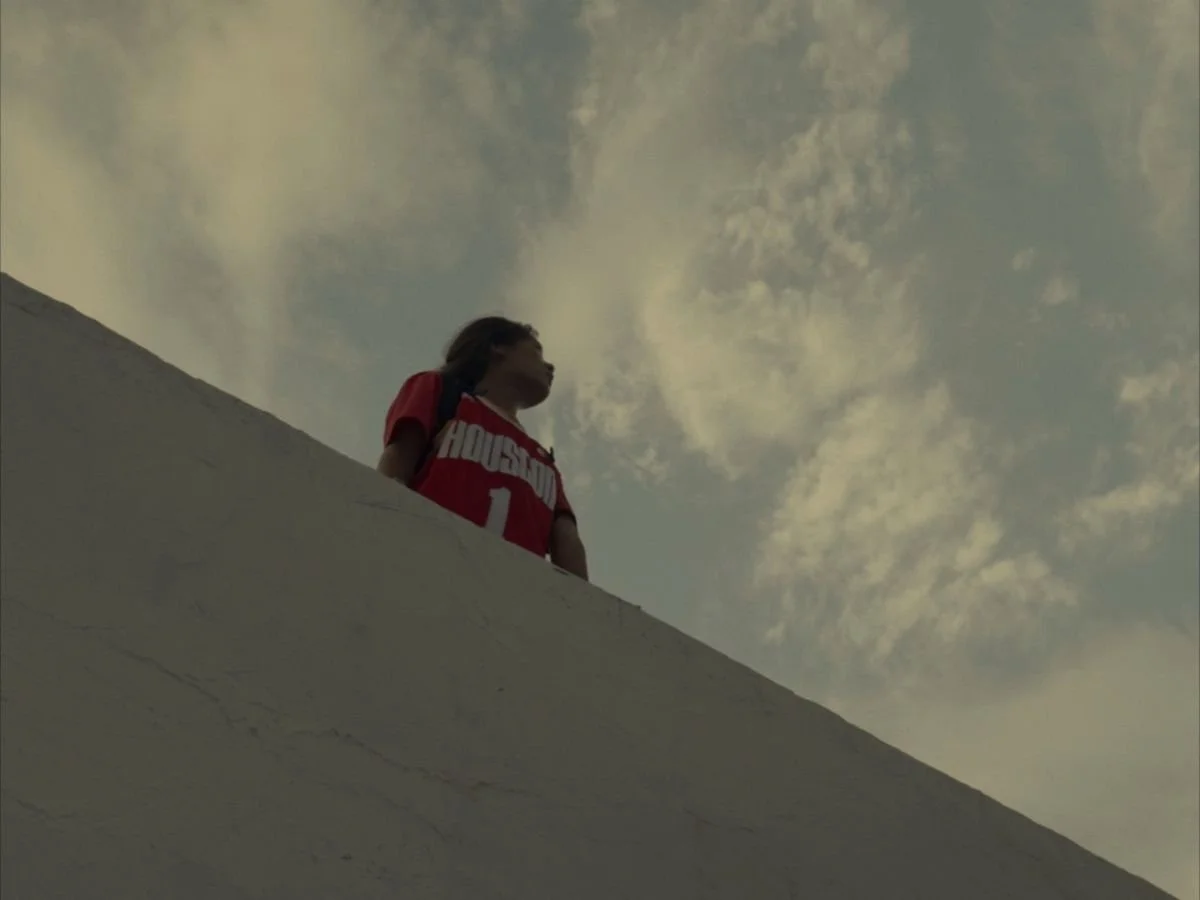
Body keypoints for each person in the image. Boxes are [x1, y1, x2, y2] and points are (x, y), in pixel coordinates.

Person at [377, 316, 589, 581]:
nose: (550, 365)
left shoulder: (543, 460)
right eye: (537, 351)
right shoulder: (440, 391)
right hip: (424, 568)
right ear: (497, 347)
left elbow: (566, 536)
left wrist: (582, 601)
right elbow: (398, 459)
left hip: (510, 594)